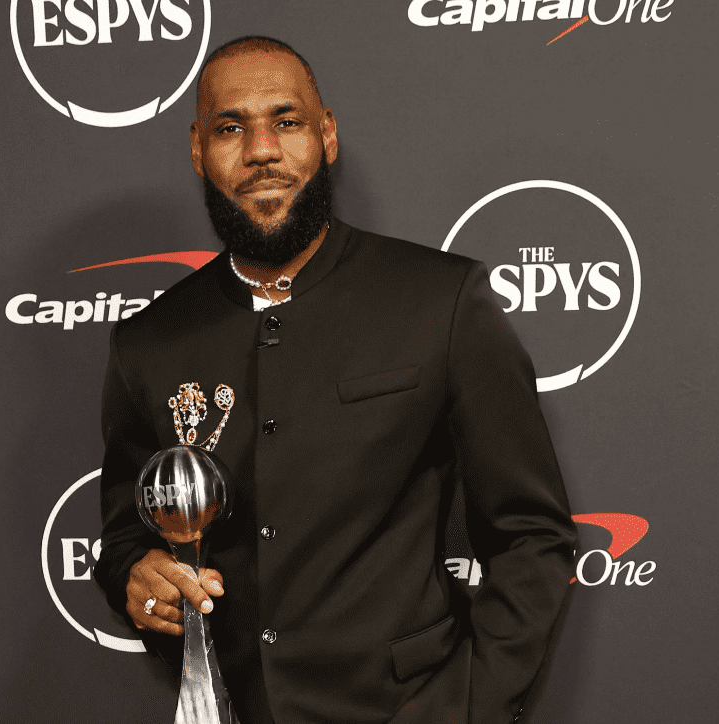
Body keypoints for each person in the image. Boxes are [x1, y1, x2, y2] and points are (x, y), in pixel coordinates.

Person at [95, 35, 578, 724]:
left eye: (286, 121)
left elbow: (532, 535)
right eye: (232, 127)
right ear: (199, 149)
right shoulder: (148, 342)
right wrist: (134, 577)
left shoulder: (440, 303)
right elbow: (122, 540)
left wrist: (467, 709)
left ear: (326, 135)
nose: (261, 149)